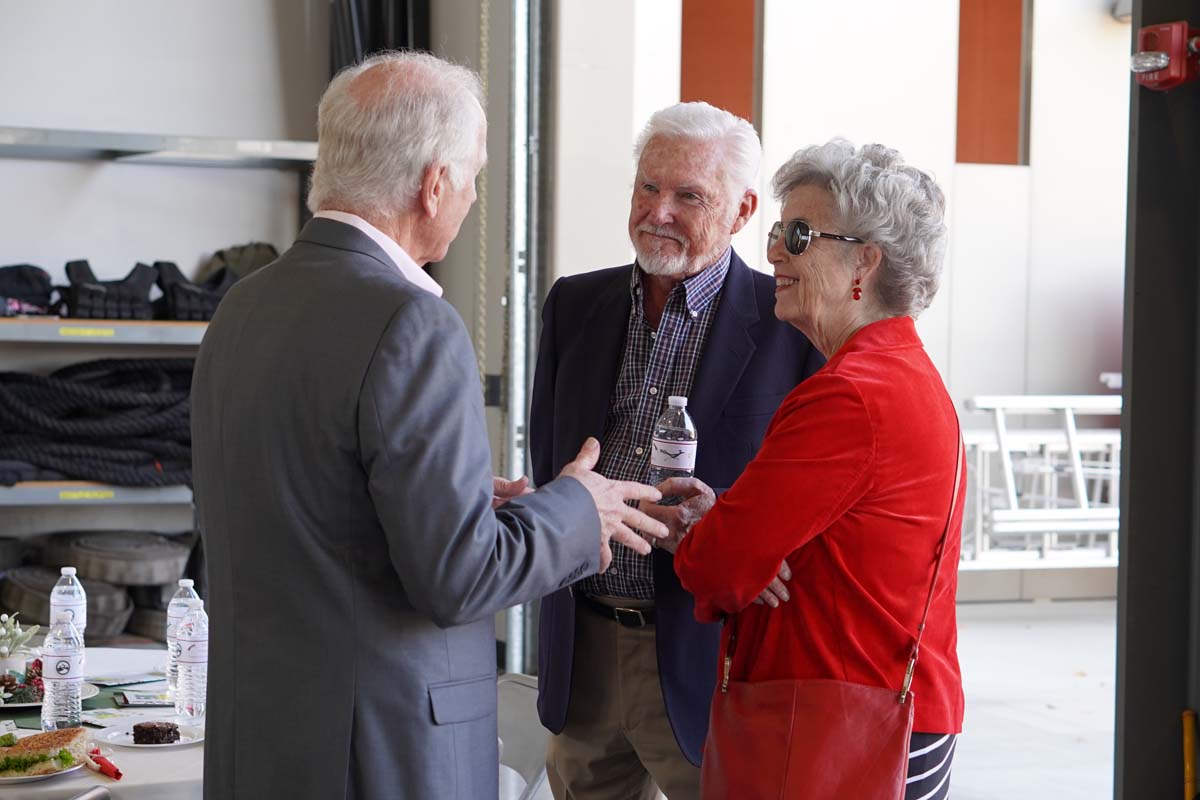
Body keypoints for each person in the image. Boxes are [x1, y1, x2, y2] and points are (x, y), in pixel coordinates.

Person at [190, 51, 668, 800]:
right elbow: (459, 577)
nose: (475, 194)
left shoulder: (243, 307)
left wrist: (467, 507)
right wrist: (582, 509)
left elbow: (308, 511)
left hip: (264, 741)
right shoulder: (412, 322)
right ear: (433, 183)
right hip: (381, 751)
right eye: (474, 174)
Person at [530, 102, 824, 799]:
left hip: (708, 659)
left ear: (744, 210)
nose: (657, 211)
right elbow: (552, 461)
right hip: (586, 651)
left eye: (688, 195)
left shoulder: (792, 330)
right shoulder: (574, 305)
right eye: (647, 187)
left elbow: (804, 522)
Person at [672, 139, 965, 799]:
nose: (773, 250)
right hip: (886, 710)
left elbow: (716, 565)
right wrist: (740, 539)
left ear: (865, 260)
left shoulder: (851, 394)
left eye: (798, 234)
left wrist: (721, 541)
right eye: (778, 230)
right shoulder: (902, 373)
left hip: (838, 726)